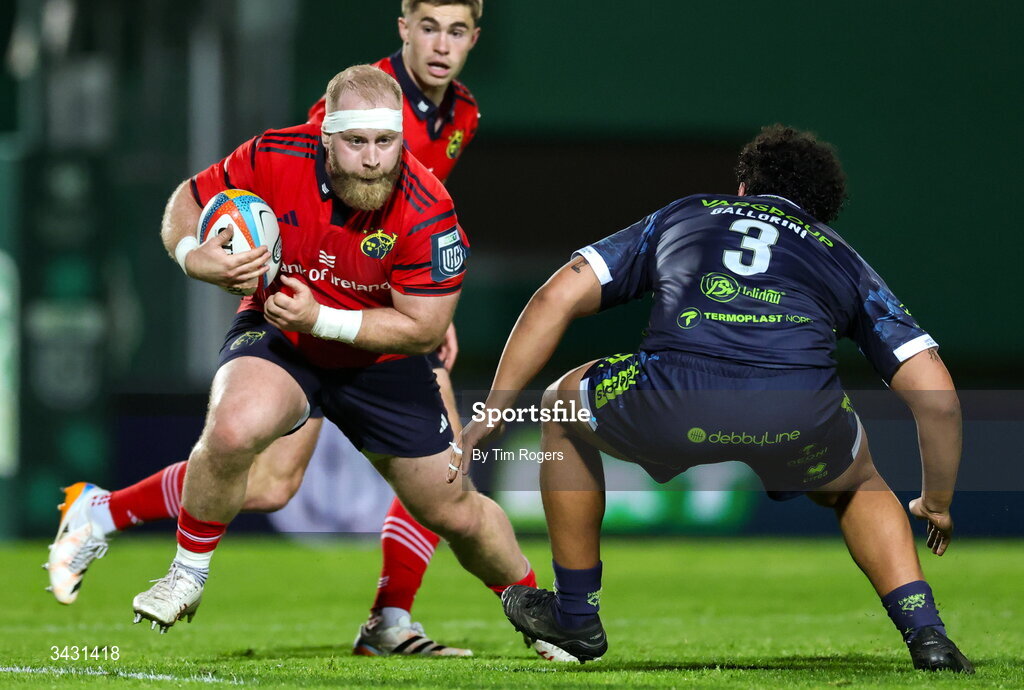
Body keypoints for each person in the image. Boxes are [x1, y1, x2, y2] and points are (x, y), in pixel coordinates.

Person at [46, 0, 566, 660]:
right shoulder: (345, 108)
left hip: (375, 326)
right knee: (244, 446)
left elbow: (410, 231)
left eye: (457, 30)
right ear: (402, 27)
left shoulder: (459, 116)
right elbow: (285, 201)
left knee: (414, 495)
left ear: (474, 39)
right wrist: (203, 255)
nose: (441, 44)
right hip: (298, 315)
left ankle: (103, 511)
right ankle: (380, 617)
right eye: (428, 26)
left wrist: (424, 311)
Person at [456, 125, 974, 672]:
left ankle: (576, 616)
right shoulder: (840, 256)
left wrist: (495, 408)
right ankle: (928, 637)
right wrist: (935, 502)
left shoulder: (686, 214)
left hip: (672, 397)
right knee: (857, 484)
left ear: (744, 188)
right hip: (795, 413)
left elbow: (554, 297)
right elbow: (937, 397)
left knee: (561, 406)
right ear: (819, 211)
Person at [117, 65, 535, 638]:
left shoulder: (428, 208)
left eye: (385, 142)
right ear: (325, 136)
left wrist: (323, 317)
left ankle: (539, 606)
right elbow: (185, 204)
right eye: (356, 141)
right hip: (284, 338)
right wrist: (194, 255)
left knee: (454, 510)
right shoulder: (272, 156)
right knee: (234, 428)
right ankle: (186, 572)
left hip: (380, 361)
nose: (372, 158)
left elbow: (423, 328)